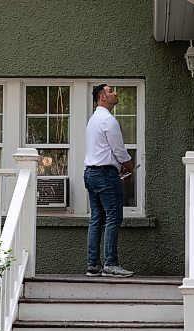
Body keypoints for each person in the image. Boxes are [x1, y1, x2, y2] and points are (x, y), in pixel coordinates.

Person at [83, 84, 135, 278]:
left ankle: (93, 265)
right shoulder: (108, 120)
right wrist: (129, 167)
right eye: (111, 91)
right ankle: (111, 264)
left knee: (97, 218)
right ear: (102, 97)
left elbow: (102, 150)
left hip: (90, 173)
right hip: (105, 175)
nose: (115, 93)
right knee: (113, 218)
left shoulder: (93, 120)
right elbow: (119, 151)